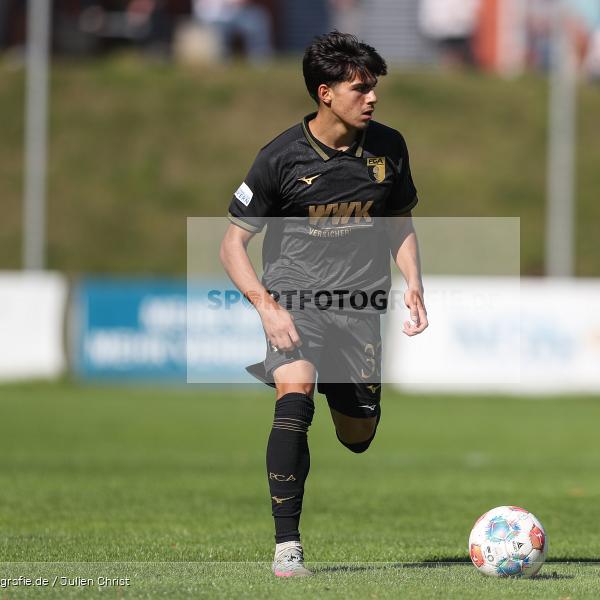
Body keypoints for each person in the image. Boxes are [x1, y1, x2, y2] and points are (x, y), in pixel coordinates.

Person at [219, 30, 428, 577]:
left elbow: (399, 224)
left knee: (358, 435)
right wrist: (267, 306)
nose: (372, 98)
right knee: (294, 398)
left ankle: (345, 387)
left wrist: (414, 285)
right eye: (360, 88)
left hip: (358, 307)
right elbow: (231, 244)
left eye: (374, 87)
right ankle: (287, 549)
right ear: (325, 93)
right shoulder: (279, 158)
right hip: (295, 301)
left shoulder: (389, 148)